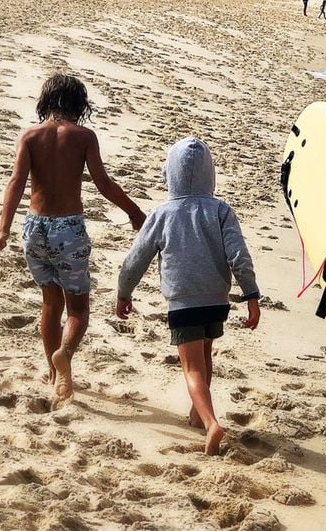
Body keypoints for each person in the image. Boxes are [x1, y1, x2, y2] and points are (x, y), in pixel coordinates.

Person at [0, 74, 146, 408]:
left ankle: (51, 369)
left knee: (50, 302)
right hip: (68, 230)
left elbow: (16, 182)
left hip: (34, 229)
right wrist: (134, 212)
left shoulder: (30, 136)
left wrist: (3, 229)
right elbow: (102, 182)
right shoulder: (83, 136)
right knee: (78, 310)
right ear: (78, 105)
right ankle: (65, 355)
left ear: (46, 101)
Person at [117, 137, 261, 455]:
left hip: (184, 302)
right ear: (211, 174)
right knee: (205, 356)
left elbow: (135, 259)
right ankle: (198, 416)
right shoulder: (221, 210)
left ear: (170, 174)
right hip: (217, 301)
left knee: (192, 367)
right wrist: (251, 294)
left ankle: (211, 423)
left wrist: (124, 292)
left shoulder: (162, 214)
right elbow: (239, 255)